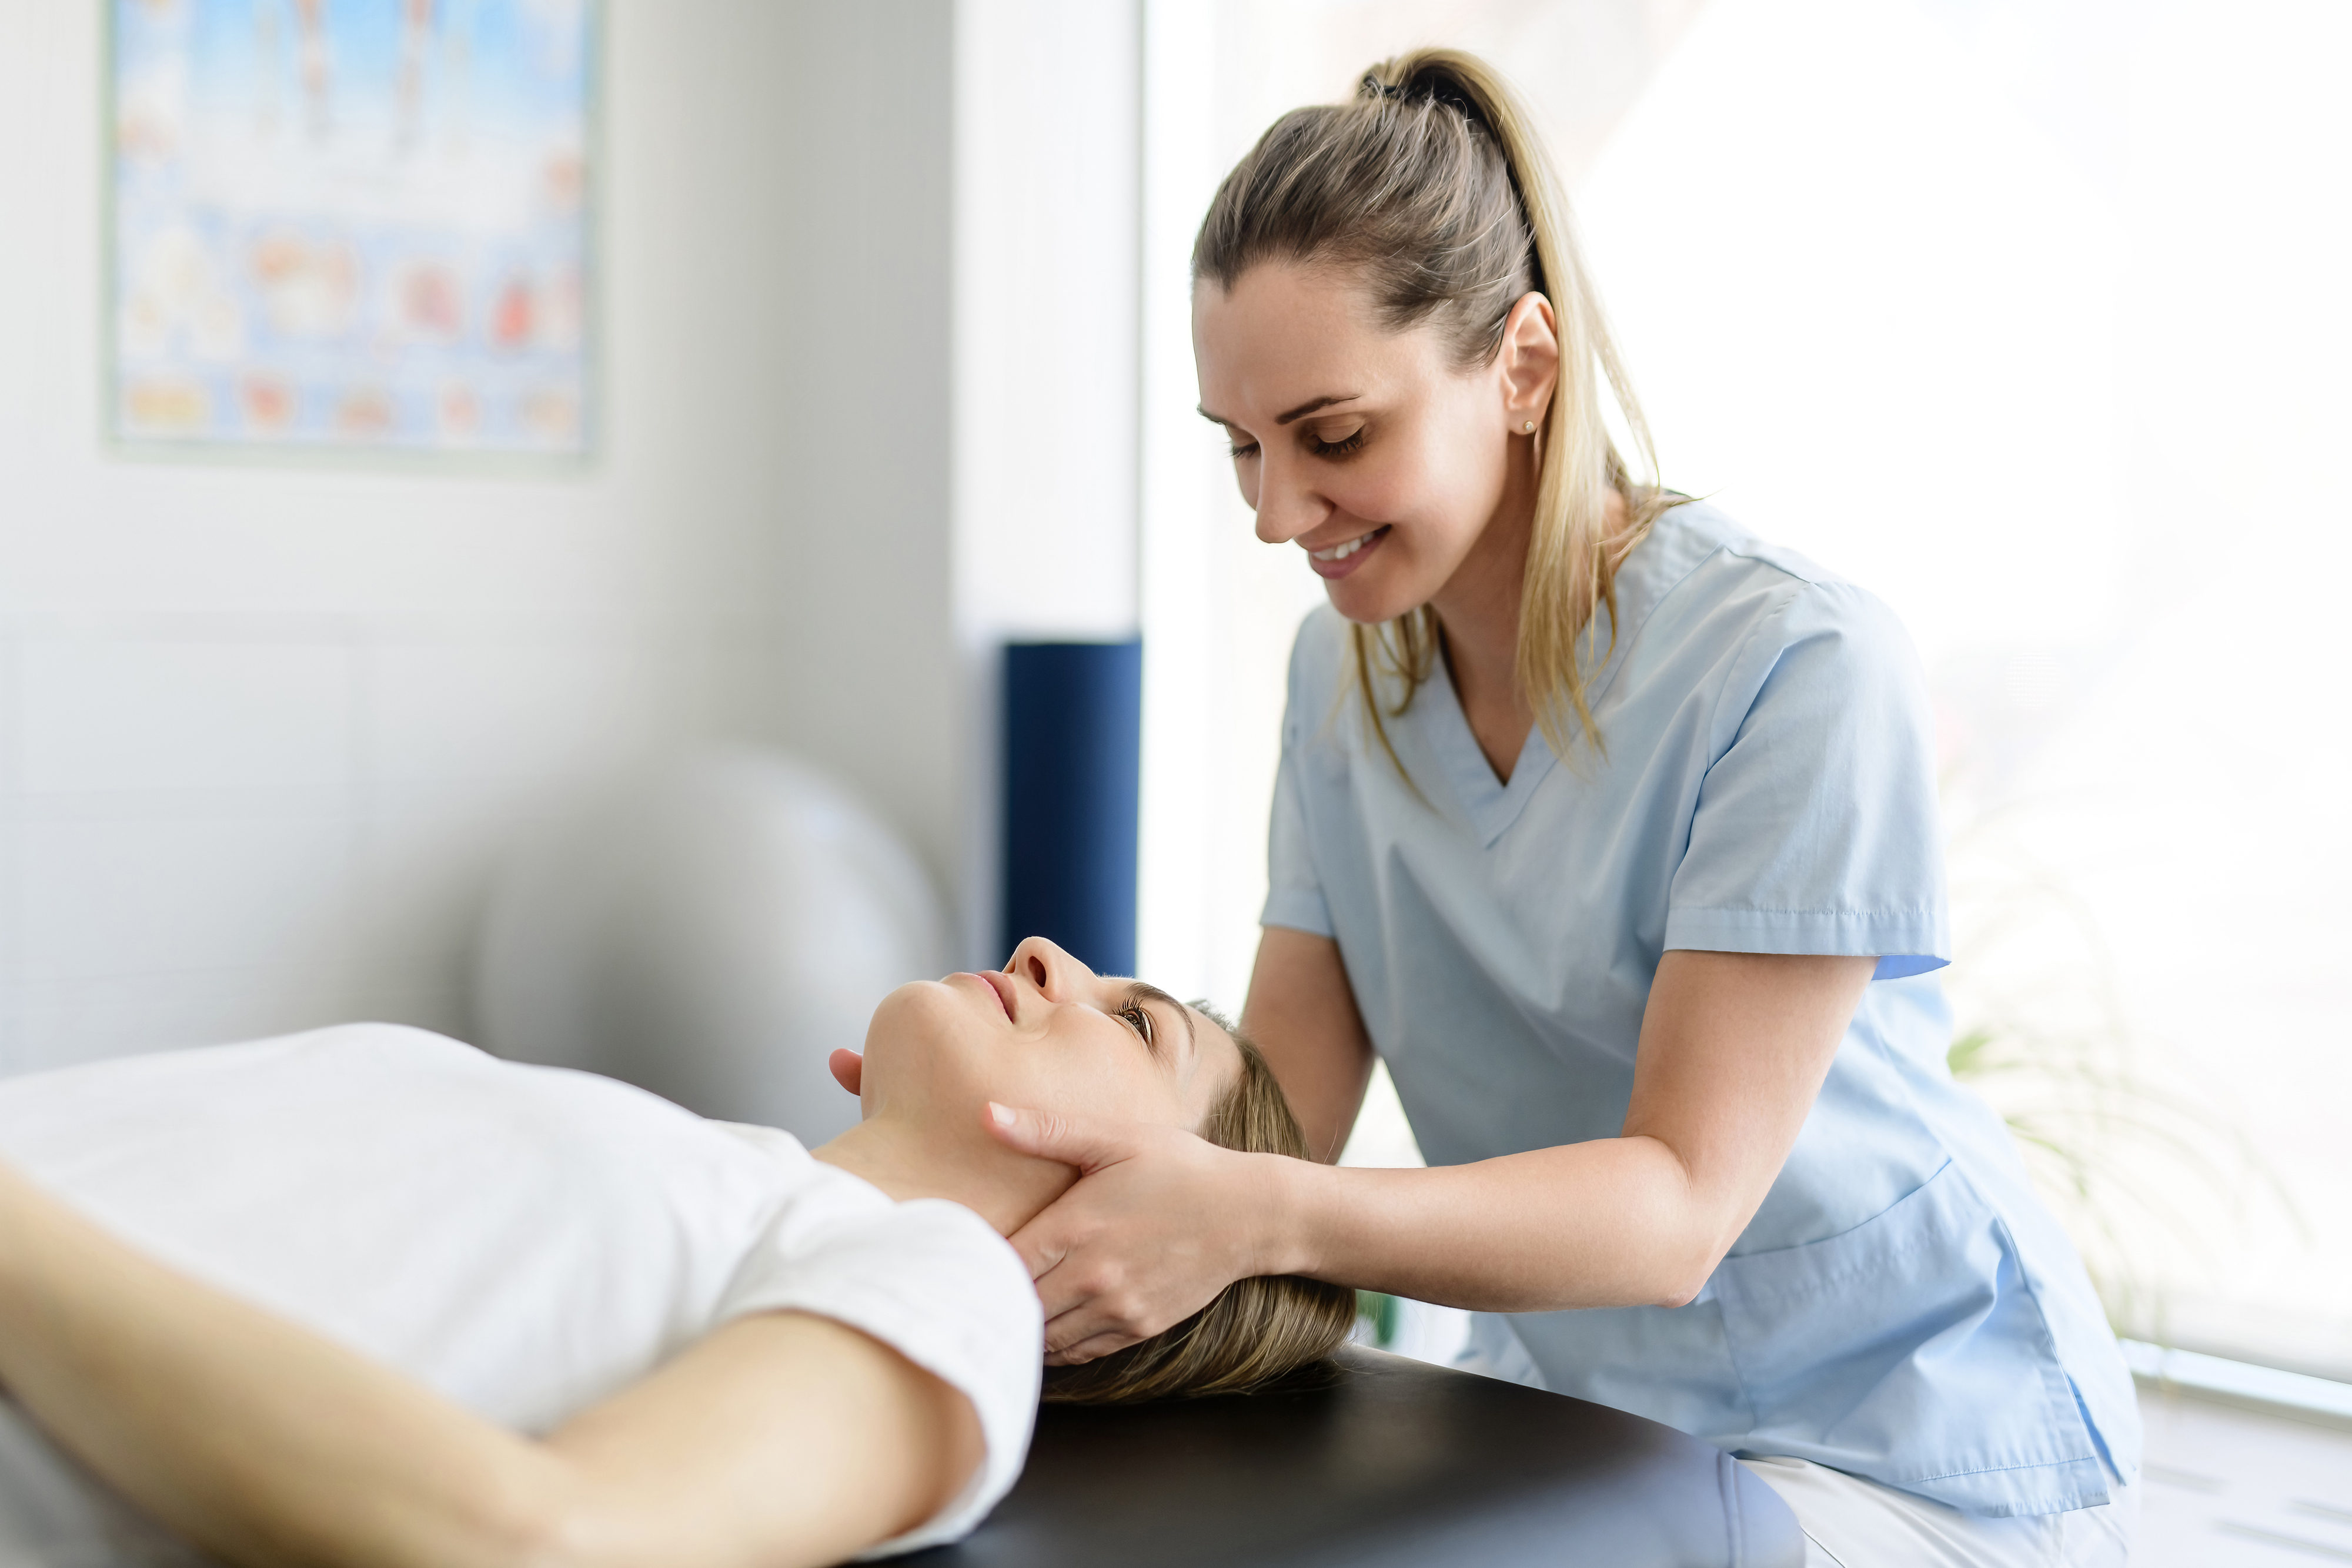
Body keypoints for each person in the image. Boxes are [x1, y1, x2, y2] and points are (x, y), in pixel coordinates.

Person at [982, 49, 2140, 1567]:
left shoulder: (1792, 664)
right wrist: (1010, 1146)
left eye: (1333, 437)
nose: (1274, 513)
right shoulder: (1343, 685)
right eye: (1240, 448)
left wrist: (1252, 1210)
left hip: (1902, 1436)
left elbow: (1672, 1210)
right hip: (1589, 1409)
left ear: (1522, 364)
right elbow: (1280, 1119)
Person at [0, 936, 1352, 1568]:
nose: (1050, 954)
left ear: (1158, 1219)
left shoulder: (940, 1285)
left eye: (1136, 1028)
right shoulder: (724, 1177)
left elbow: (548, 1540)